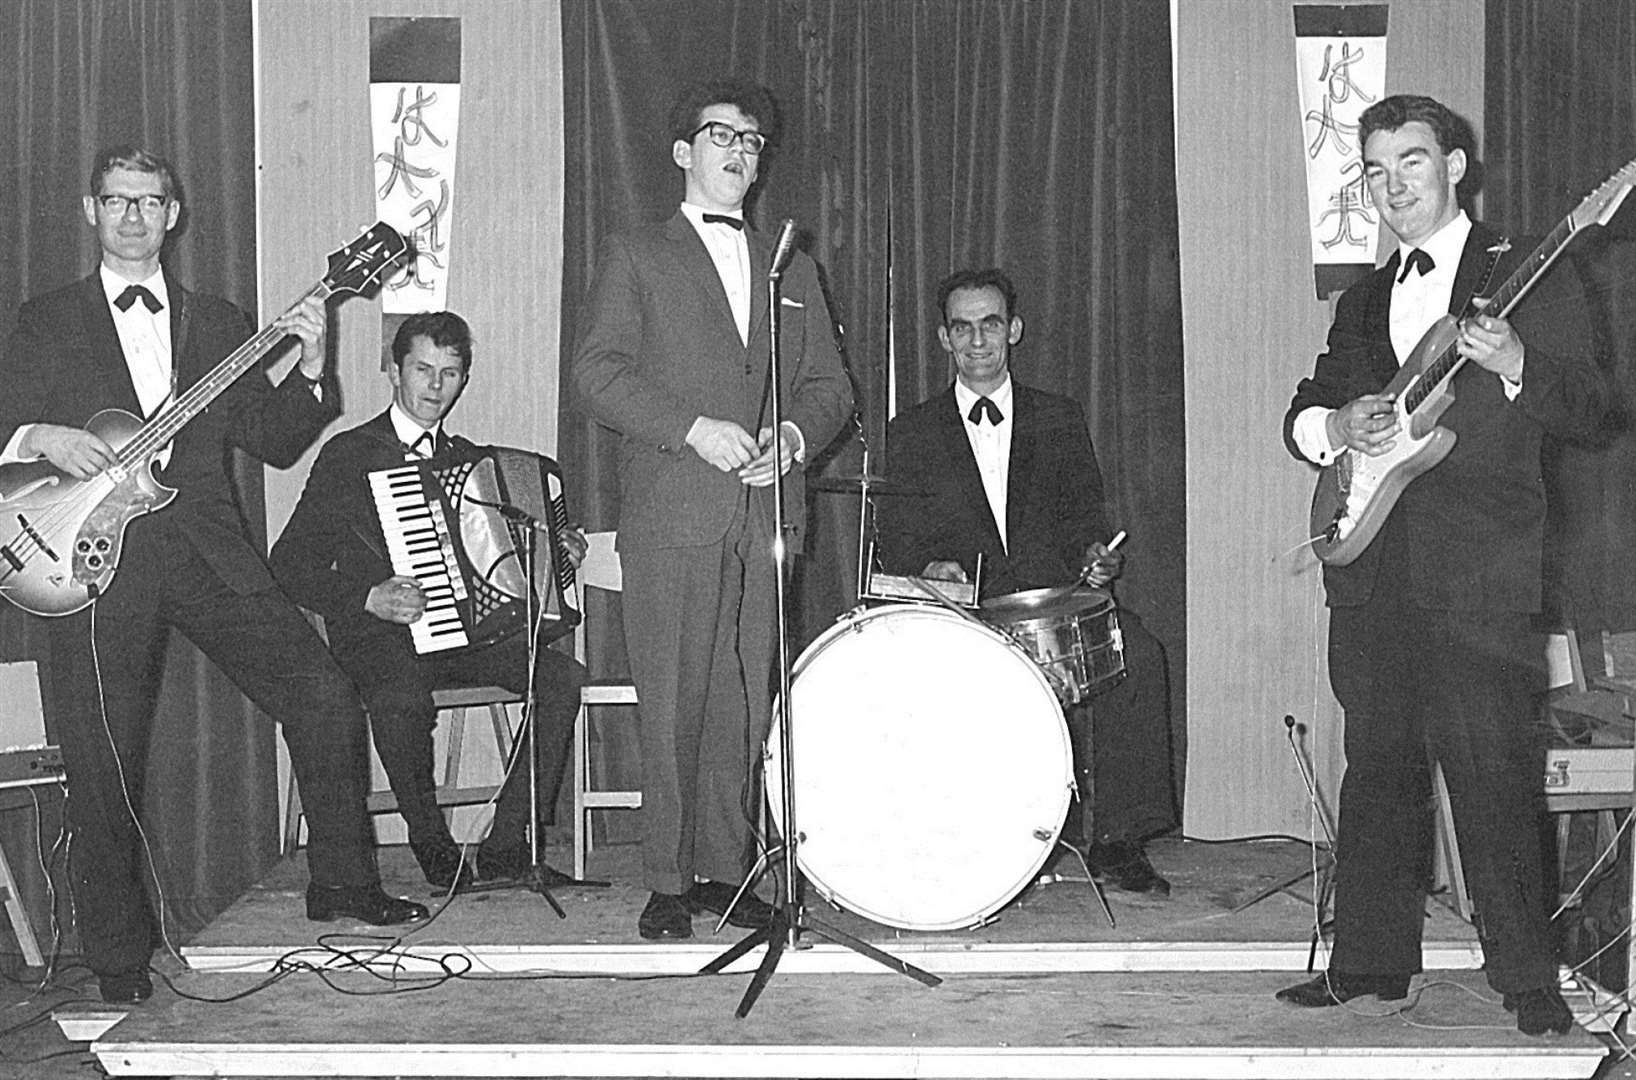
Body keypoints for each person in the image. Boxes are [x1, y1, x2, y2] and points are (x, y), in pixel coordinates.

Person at [0, 146, 427, 1005]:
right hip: (82, 552)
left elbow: (273, 439)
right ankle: (119, 958)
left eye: (150, 202)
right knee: (104, 755)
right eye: (117, 201)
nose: (133, 216)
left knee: (324, 694)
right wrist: (42, 437)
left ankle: (342, 883)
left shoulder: (222, 322)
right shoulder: (44, 319)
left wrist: (311, 361)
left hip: (207, 548)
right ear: (91, 212)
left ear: (174, 215)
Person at [1277, 95, 1609, 1036]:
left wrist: (1513, 363)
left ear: (1456, 165)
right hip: (1372, 563)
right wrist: (1336, 426)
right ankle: (1371, 968)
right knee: (1376, 769)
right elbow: (1305, 410)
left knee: (1493, 775)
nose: (1393, 187)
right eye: (1376, 172)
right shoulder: (1365, 298)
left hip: (1481, 571)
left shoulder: (1532, 275)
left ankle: (1529, 983)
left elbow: (1590, 408)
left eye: (1411, 164)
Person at [571, 79, 854, 939]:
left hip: (766, 515)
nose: (740, 150)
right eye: (721, 134)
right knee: (673, 699)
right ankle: (666, 876)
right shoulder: (636, 254)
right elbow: (596, 374)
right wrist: (691, 428)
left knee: (744, 698)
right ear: (682, 152)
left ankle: (729, 874)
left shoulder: (792, 265)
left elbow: (830, 388)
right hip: (673, 508)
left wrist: (794, 440)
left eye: (754, 140)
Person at [874, 267, 1178, 896]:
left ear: (1013, 330)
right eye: (963, 328)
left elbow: (1084, 520)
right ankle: (963, 842)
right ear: (942, 338)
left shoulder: (1059, 418)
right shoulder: (913, 431)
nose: (978, 341)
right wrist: (931, 567)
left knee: (1140, 656)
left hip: (1051, 607)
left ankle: (1118, 841)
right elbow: (896, 538)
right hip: (966, 616)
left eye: (990, 324)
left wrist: (1096, 555)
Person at [271, 311, 589, 891]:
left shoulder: (473, 464)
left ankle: (506, 842)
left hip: (465, 637)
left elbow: (511, 559)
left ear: (463, 379)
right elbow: (289, 564)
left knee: (562, 679)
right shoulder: (349, 456)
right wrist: (367, 596)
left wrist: (555, 544)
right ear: (394, 371)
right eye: (422, 369)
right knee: (400, 694)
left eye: (450, 372)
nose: (435, 386)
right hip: (380, 638)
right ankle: (432, 843)